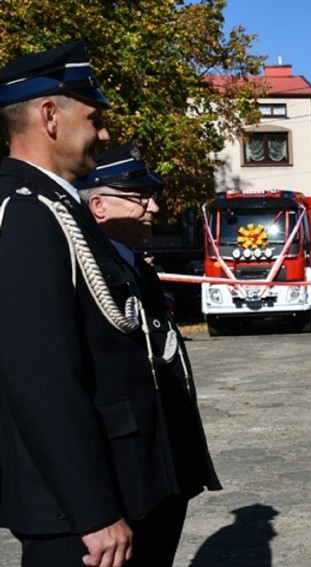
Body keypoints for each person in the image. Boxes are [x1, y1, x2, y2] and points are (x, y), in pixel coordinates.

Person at [0, 42, 220, 567]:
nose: (103, 134)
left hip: (122, 485)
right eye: (94, 119)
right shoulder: (27, 216)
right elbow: (41, 379)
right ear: (49, 115)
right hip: (77, 513)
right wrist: (93, 511)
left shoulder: (61, 211)